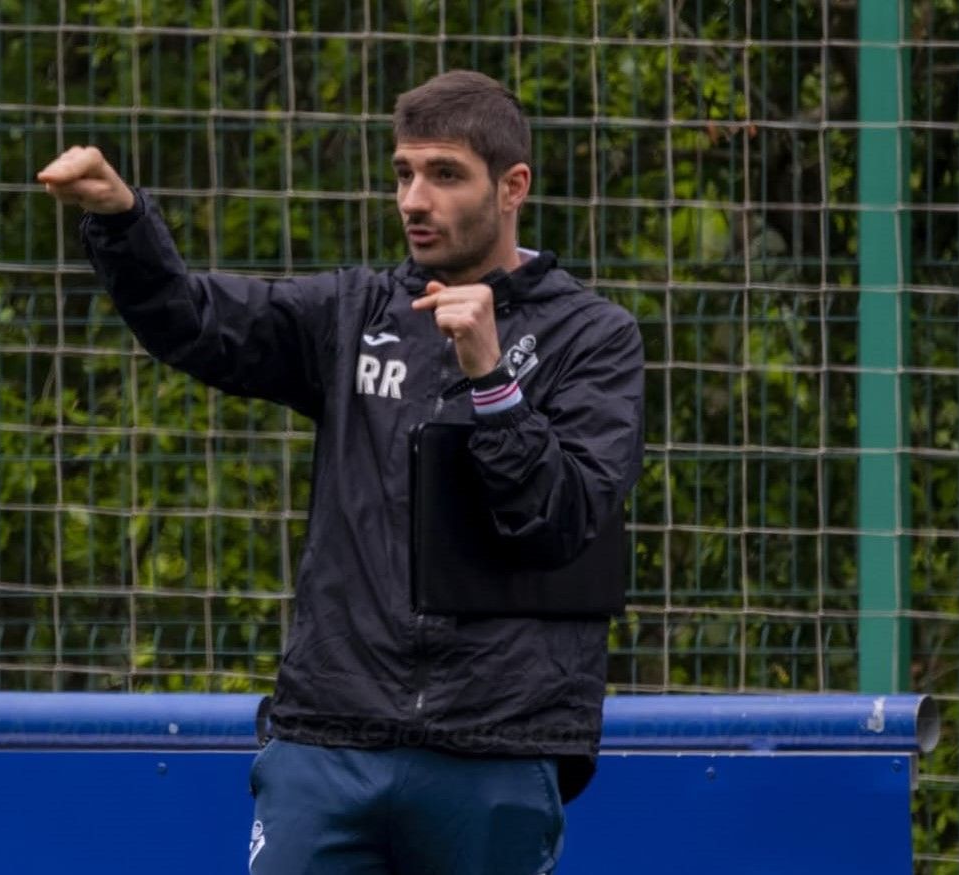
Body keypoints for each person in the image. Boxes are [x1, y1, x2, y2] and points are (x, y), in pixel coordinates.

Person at [38, 69, 644, 875]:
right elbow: (196, 322)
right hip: (328, 739)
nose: (413, 200)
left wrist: (492, 380)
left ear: (512, 186)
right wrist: (121, 221)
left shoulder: (593, 337)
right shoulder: (353, 313)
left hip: (495, 745)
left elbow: (563, 519)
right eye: (402, 173)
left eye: (444, 175)